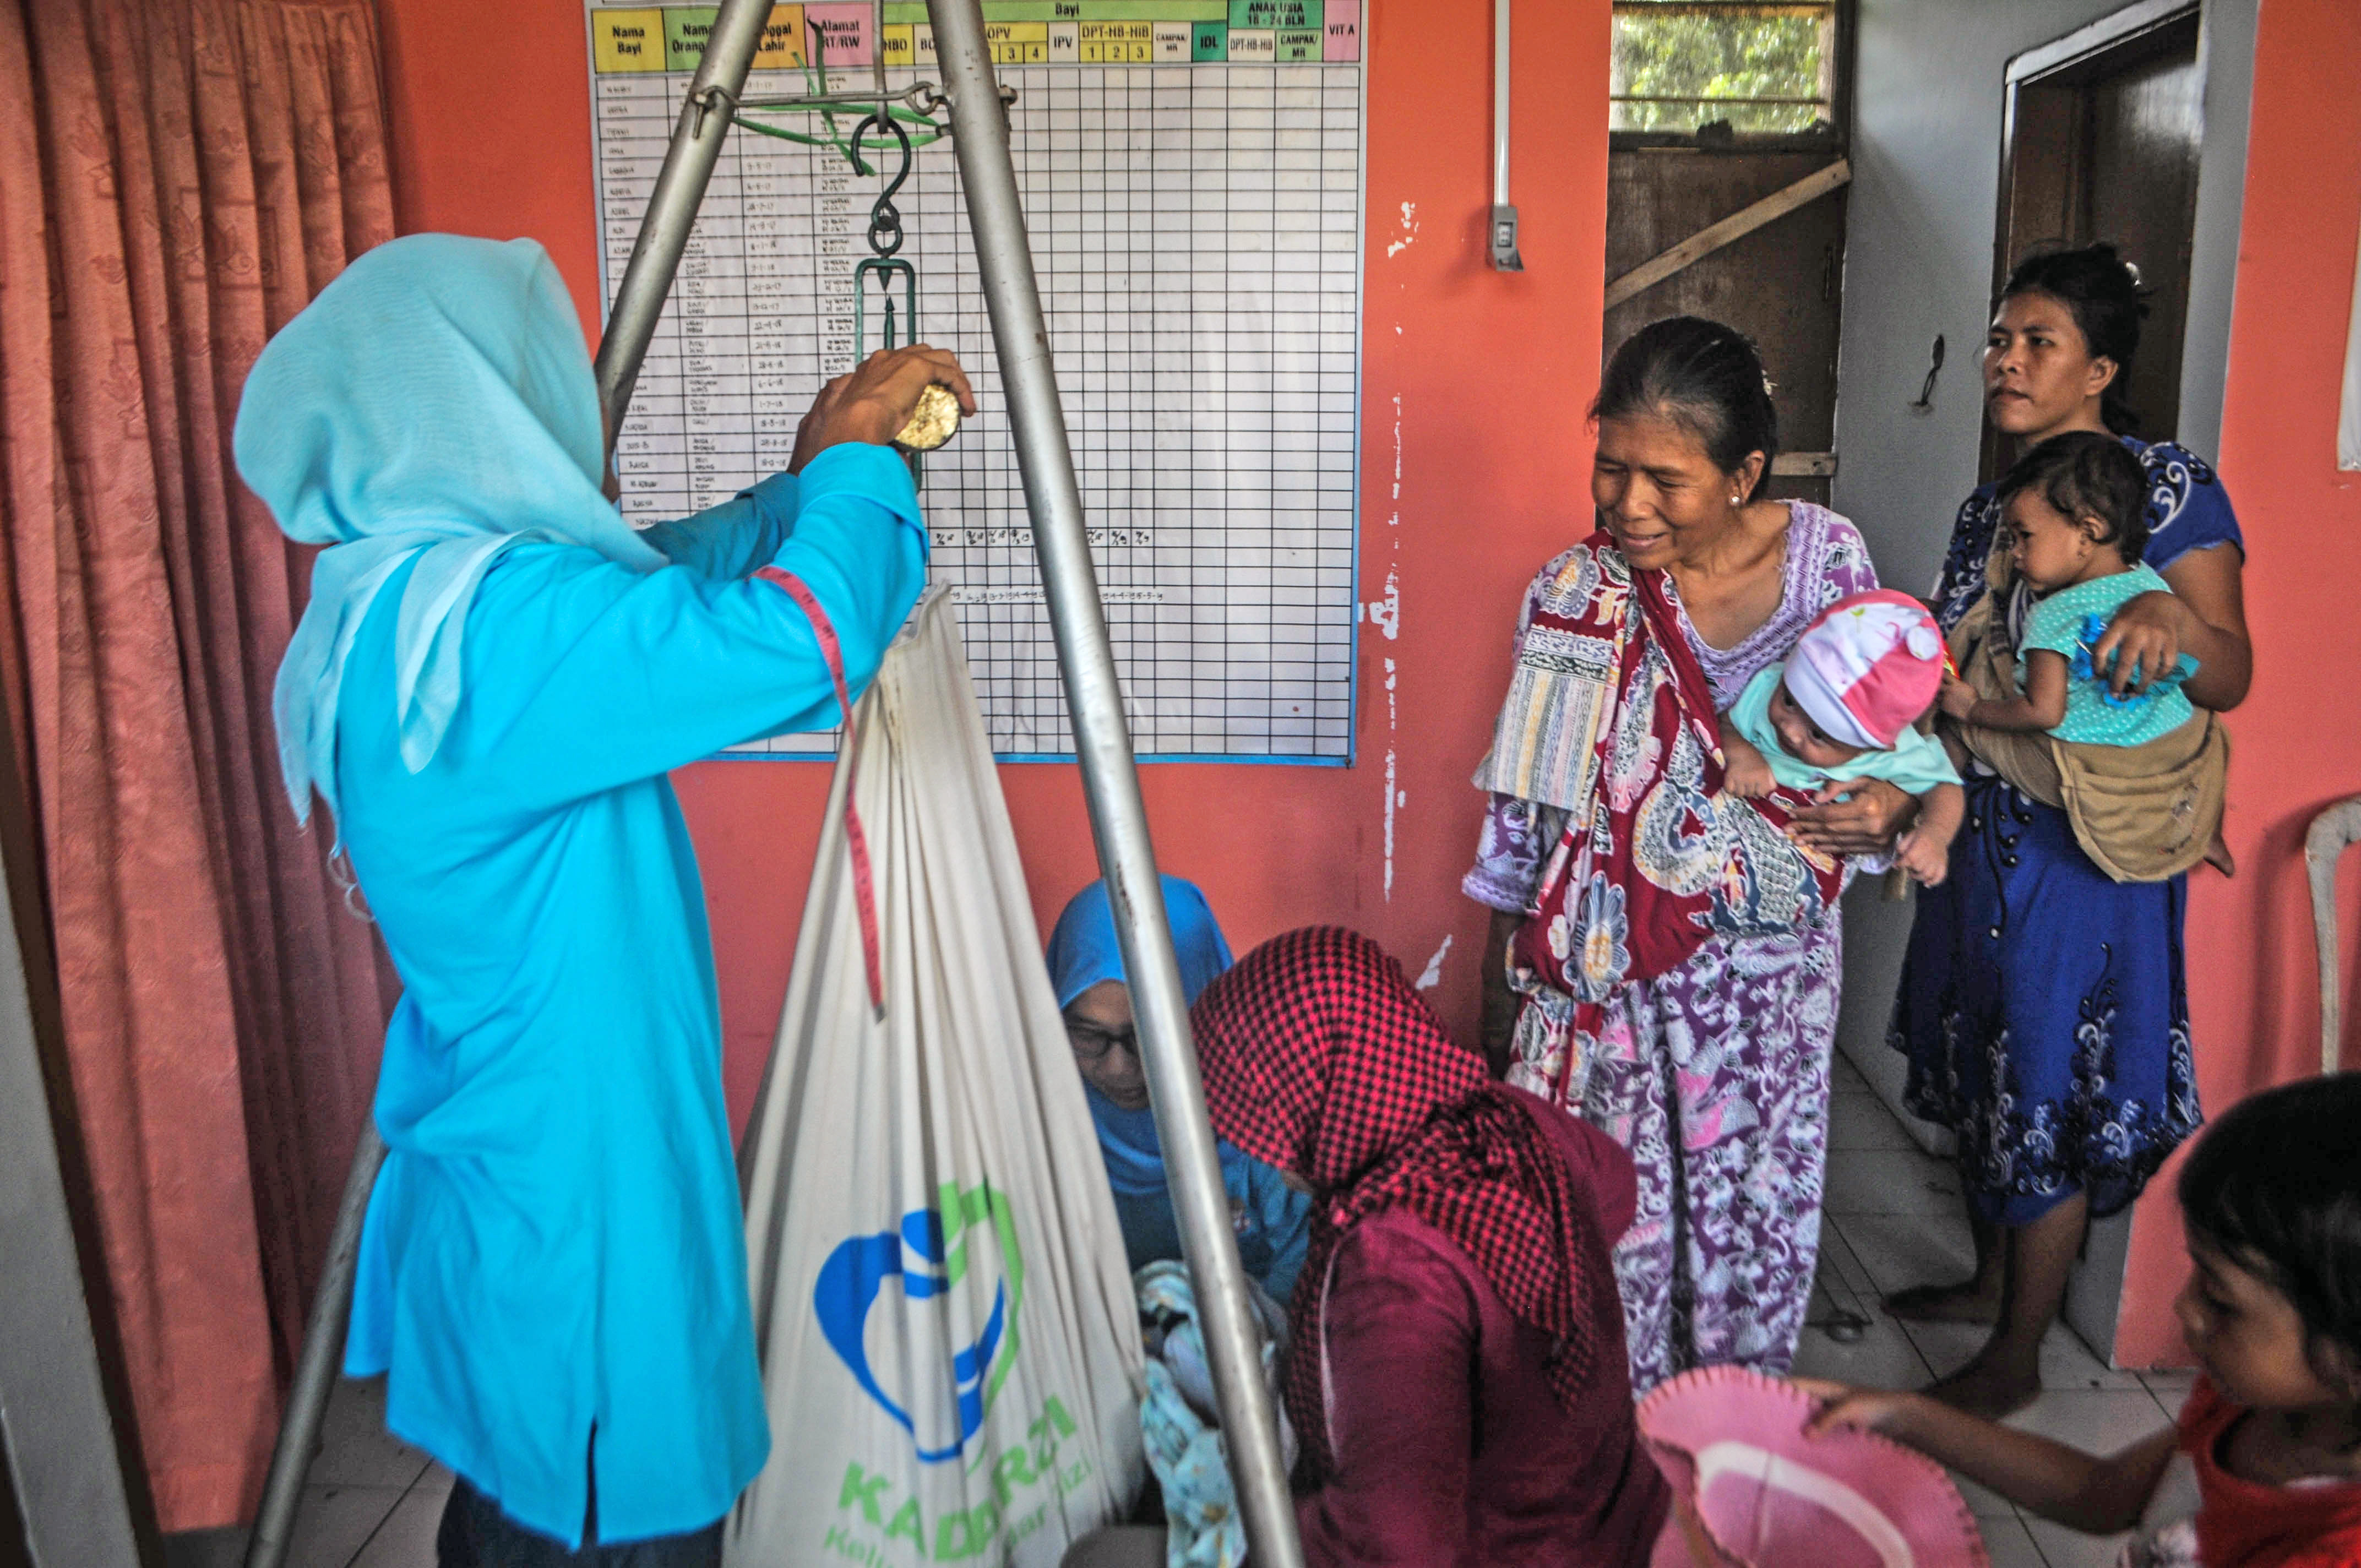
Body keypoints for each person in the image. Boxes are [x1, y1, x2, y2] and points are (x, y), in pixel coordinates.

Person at [234, 233, 973, 1563]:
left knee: (528, 1493)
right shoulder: (496, 628)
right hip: (583, 1200)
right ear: (484, 404)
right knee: (604, 1505)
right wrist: (861, 467)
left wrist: (802, 485)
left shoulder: (404, 599)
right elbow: (806, 637)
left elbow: (645, 583)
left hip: (510, 1159)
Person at [1468, 315, 1901, 1390]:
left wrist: (1885, 803)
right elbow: (1531, 803)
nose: (1627, 503)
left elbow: (1883, 744)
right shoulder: (1572, 595)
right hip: (1605, 970)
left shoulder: (1826, 563)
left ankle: (1730, 1432)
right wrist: (1503, 967)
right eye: (1609, 466)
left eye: (1664, 478)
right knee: (1613, 1218)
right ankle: (1620, 1441)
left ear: (1743, 473)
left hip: (1765, 985)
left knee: (1751, 1208)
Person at [1889, 243, 2252, 1418]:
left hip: (2083, 847)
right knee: (1984, 1051)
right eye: (1998, 338)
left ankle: (2016, 1350)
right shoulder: (1991, 508)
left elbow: (2227, 670)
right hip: (1981, 823)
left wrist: (2169, 620)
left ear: (2098, 368)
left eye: (2035, 341)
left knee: (2047, 1067)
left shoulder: (2163, 486)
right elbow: (1957, 657)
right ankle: (1988, 1283)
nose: (2003, 359)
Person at [1189, 925, 1677, 1567]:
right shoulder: (1507, 1118)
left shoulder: (1391, 1266)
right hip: (1613, 1516)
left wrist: (1248, 1543)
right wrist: (1521, 1338)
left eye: (1266, 1120)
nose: (1266, 1153)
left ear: (1320, 1093)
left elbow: (1397, 1541)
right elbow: (1615, 1183)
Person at [1799, 1074, 2361, 1568]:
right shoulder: (2244, 1406)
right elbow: (2101, 1493)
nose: (2185, 1309)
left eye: (2220, 1298)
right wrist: (1905, 1416)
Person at [1935, 431, 2229, 878]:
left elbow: (2043, 712)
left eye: (2024, 537)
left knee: (1957, 725)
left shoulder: (2054, 615)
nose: (2015, 554)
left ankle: (1932, 822)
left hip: (2090, 761)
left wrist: (1973, 709)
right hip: (2167, 744)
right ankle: (2205, 829)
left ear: (2087, 533)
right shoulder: (2147, 581)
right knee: (2211, 730)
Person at [1043, 876, 1312, 1301]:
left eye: (1146, 1037)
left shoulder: (1268, 1112)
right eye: (1088, 1035)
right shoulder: (1042, 1126)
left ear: (1202, 1012)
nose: (1118, 1068)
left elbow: (1306, 1269)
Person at [1720, 589, 1965, 887]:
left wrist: (1935, 835)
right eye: (1789, 702)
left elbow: (1944, 788)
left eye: (1817, 735)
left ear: (1873, 746)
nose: (1791, 731)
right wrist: (1742, 752)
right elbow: (1727, 722)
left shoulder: (1895, 753)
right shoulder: (1770, 683)